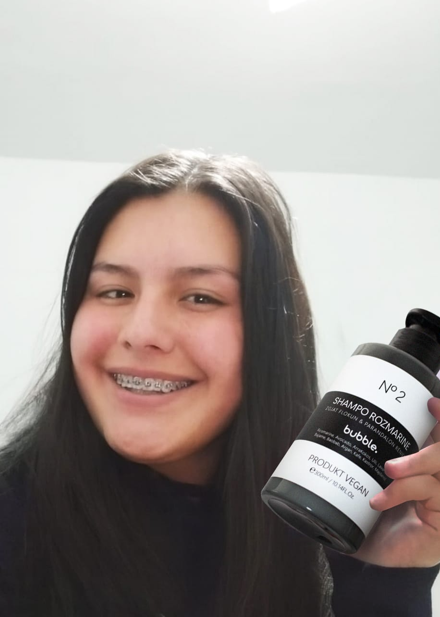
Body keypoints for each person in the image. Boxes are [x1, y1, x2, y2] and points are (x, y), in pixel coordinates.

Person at [0, 149, 439, 617]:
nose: (141, 332)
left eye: (200, 297)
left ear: (270, 336)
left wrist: (385, 584)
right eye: (115, 291)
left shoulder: (311, 528)